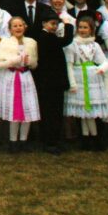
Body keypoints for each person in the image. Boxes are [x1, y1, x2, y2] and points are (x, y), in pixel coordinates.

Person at [64, 15, 108, 151]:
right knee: (83, 112)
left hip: (92, 78)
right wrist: (72, 83)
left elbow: (104, 61)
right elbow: (69, 65)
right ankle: (85, 138)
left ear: (91, 29)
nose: (82, 30)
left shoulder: (94, 45)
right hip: (79, 77)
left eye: (85, 27)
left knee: (90, 112)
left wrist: (101, 68)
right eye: (80, 27)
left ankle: (94, 138)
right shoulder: (72, 44)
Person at [0, 17, 40, 153]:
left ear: (24, 27)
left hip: (26, 77)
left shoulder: (31, 42)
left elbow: (35, 64)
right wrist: (15, 60)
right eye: (15, 26)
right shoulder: (5, 43)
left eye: (20, 25)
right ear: (10, 29)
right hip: (11, 78)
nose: (18, 28)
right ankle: (13, 141)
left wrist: (28, 62)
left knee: (27, 109)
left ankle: (23, 141)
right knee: (15, 111)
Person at [31, 12, 68, 155]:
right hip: (49, 82)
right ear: (43, 24)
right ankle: (49, 141)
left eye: (56, 24)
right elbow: (66, 40)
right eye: (52, 24)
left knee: (55, 112)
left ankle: (54, 140)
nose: (54, 27)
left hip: (53, 81)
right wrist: (69, 25)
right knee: (50, 112)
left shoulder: (49, 37)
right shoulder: (45, 37)